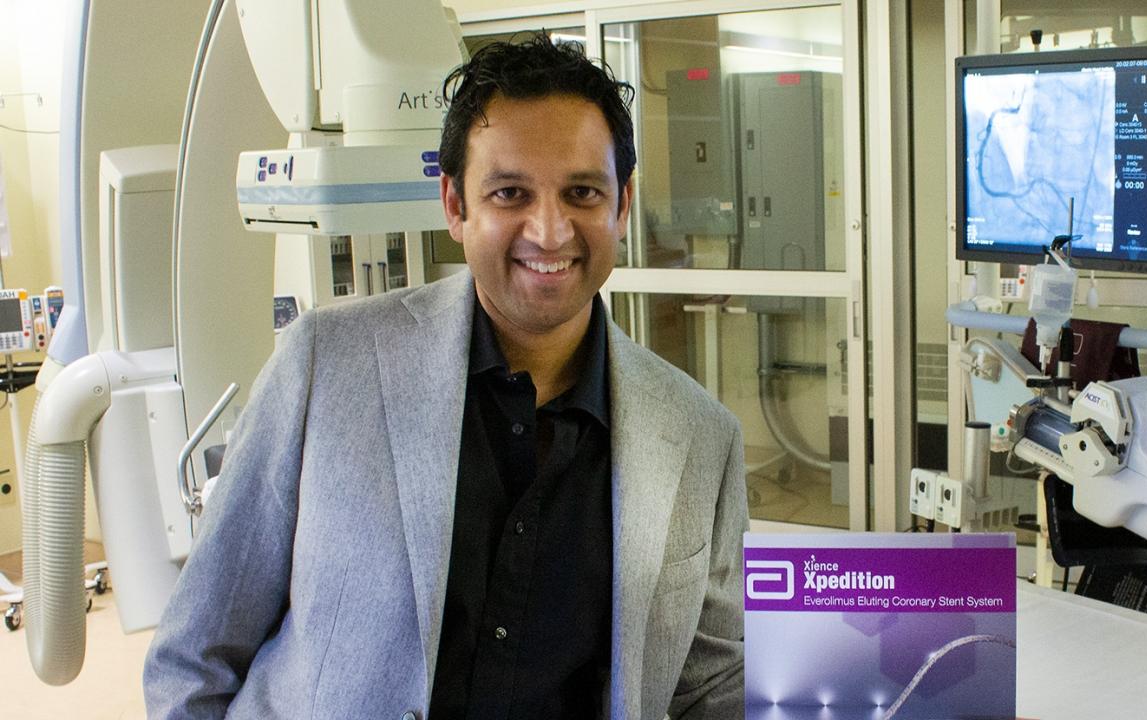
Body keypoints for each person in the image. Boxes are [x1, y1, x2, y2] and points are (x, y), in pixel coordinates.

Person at [144, 35, 747, 719]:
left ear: (622, 205)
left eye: (582, 192)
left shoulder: (700, 437)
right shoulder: (326, 367)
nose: (550, 232)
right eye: (510, 193)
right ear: (455, 205)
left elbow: (711, 686)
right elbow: (193, 657)